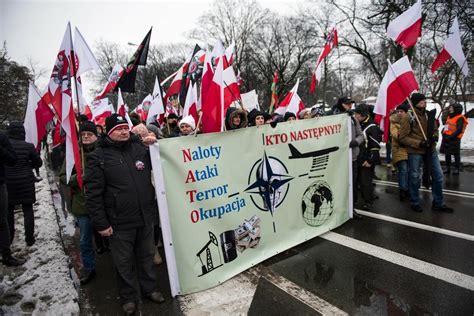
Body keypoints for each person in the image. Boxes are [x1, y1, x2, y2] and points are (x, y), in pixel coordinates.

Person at [85, 114, 164, 314]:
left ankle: (150, 289)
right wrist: (101, 224)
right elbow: (93, 194)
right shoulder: (98, 156)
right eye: (118, 129)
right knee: (123, 262)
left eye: (125, 128)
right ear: (109, 132)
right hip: (119, 222)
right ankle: (128, 297)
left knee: (146, 256)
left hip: (145, 217)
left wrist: (156, 144)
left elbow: (162, 163)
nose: (123, 131)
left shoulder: (139, 149)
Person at [399, 93, 453, 213]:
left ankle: (438, 203)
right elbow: (402, 137)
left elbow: (435, 129)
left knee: (438, 176)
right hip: (415, 151)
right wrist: (420, 143)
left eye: (424, 100)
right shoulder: (408, 117)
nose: (424, 102)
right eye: (421, 100)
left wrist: (434, 136)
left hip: (431, 150)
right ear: (415, 102)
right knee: (414, 177)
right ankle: (415, 201)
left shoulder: (429, 115)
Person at [60, 121, 98, 284]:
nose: (87, 137)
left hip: (104, 203)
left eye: (90, 134)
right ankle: (89, 268)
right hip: (83, 204)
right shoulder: (73, 154)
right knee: (84, 240)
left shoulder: (104, 150)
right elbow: (63, 177)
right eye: (83, 134)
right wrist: (78, 178)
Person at [5, 122, 43, 247]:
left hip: (8, 182)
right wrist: (27, 165)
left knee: (8, 211)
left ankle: (10, 237)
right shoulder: (28, 146)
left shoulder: (4, 146)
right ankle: (29, 238)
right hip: (26, 181)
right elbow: (38, 163)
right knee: (28, 210)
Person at [332, 97, 365, 219]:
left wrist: (355, 142)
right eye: (347, 104)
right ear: (341, 104)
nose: (350, 106)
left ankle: (352, 208)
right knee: (338, 184)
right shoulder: (332, 118)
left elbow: (361, 135)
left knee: (353, 184)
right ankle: (337, 209)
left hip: (352, 158)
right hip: (338, 159)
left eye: (351, 104)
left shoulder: (353, 119)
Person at [0, 129, 22, 266]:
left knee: (2, 222)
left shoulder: (1, 137)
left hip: (0, 185)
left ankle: (6, 255)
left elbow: (13, 159)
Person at [353, 104, 382, 210]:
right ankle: (356, 200)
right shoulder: (358, 123)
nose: (355, 116)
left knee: (366, 182)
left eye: (357, 114)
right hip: (358, 158)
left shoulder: (372, 126)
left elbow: (375, 146)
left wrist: (370, 160)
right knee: (357, 181)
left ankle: (368, 201)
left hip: (366, 159)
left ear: (364, 115)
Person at [440, 103, 469, 175]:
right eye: (450, 107)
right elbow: (447, 125)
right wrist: (443, 132)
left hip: (455, 138)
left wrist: (451, 136)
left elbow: (459, 129)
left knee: (456, 154)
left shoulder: (460, 117)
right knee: (447, 154)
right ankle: (447, 168)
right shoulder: (450, 116)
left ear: (456, 109)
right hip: (447, 137)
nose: (450, 109)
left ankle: (456, 169)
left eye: (451, 108)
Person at [390, 102, 410, 201]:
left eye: (401, 111)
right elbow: (396, 135)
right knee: (403, 170)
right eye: (398, 111)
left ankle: (409, 189)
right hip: (399, 149)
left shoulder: (411, 121)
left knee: (411, 171)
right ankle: (403, 190)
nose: (399, 113)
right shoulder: (393, 122)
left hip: (411, 149)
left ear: (406, 112)